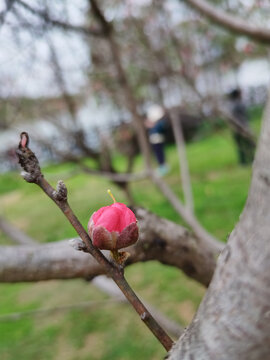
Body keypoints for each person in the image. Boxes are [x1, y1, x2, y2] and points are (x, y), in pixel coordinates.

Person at [228, 88, 255, 165]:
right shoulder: (240, 104)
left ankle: (243, 162)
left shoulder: (230, 105)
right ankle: (252, 159)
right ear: (238, 95)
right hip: (243, 127)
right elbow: (246, 115)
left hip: (235, 128)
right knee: (249, 144)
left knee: (240, 145)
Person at [146, 104, 169, 176]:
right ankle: (161, 166)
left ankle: (163, 167)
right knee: (157, 153)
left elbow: (160, 129)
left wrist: (152, 125)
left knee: (160, 153)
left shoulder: (161, 122)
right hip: (154, 139)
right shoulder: (156, 122)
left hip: (158, 139)